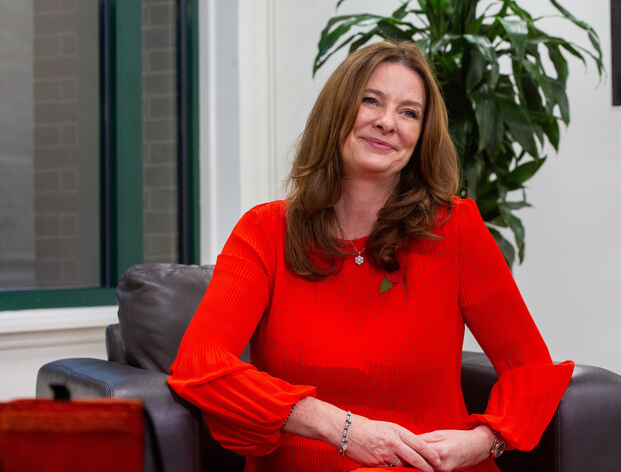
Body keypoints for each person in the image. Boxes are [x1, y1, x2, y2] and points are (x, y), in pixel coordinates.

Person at [167, 40, 574, 472]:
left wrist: (480, 442)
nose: (386, 122)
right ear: (337, 111)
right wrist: (338, 426)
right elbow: (200, 365)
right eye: (370, 101)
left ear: (421, 136)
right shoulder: (265, 231)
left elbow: (529, 368)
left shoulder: (455, 228)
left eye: (409, 112)